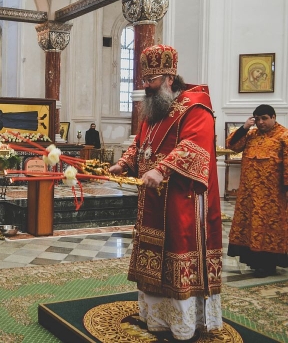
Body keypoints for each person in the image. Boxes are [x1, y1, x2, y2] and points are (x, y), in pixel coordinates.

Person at [108, 45, 222, 340]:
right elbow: (141, 141)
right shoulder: (155, 108)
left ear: (170, 77)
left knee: (176, 252)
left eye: (152, 80)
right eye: (144, 80)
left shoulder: (196, 107)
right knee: (151, 254)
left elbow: (192, 147)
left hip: (180, 199)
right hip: (152, 200)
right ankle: (156, 318)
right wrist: (124, 163)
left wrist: (161, 170)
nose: (146, 86)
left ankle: (184, 324)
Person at [226, 105, 288, 277]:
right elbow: (232, 145)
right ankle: (254, 262)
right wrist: (245, 127)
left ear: (273, 117)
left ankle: (268, 265)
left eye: (265, 118)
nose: (261, 122)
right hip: (249, 194)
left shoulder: (284, 135)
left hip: (273, 196)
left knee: (268, 230)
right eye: (258, 119)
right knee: (250, 228)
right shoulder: (251, 134)